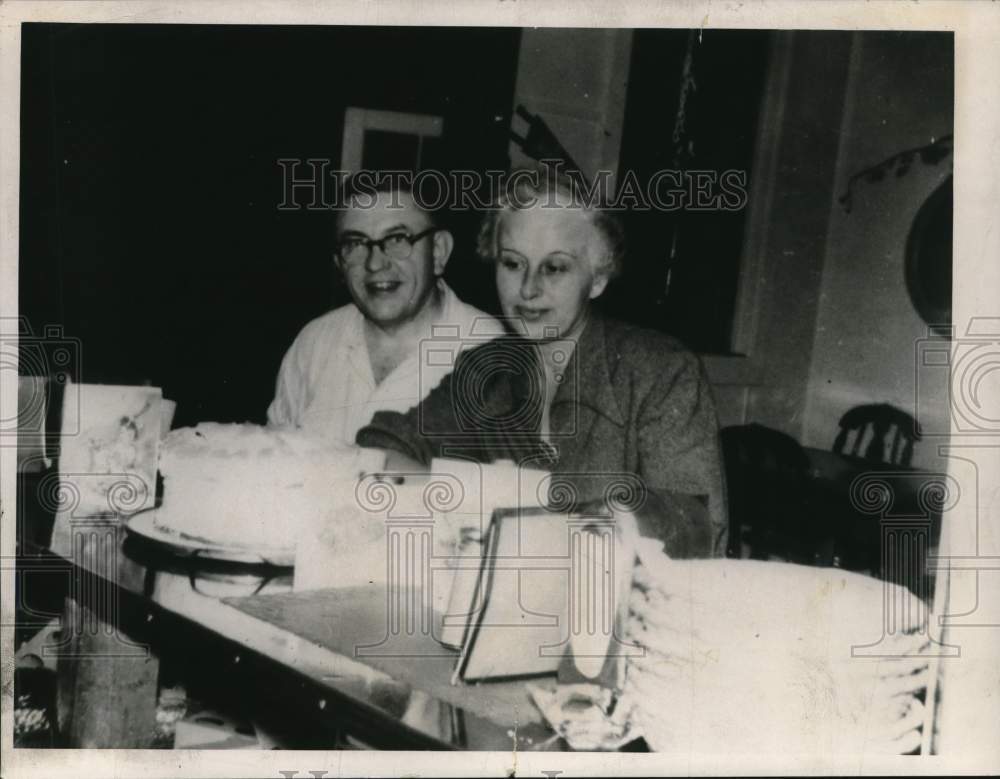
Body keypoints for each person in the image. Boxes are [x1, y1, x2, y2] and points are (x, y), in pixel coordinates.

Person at [356, 170, 728, 558]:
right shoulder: (485, 371)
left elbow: (693, 531)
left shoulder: (662, 373)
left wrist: (480, 491)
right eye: (513, 264)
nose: (529, 288)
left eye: (555, 267)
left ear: (598, 279)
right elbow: (380, 448)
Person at [267, 174, 503, 444]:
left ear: (438, 252)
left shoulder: (490, 354)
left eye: (397, 239)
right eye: (355, 244)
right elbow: (275, 464)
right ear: (339, 264)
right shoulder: (315, 342)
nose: (375, 263)